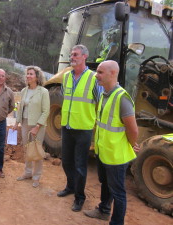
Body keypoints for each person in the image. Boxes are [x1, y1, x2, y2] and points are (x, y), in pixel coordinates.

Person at [84, 60, 139, 225]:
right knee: (105, 184)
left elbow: (133, 130)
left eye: (100, 72)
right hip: (103, 151)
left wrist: (131, 143)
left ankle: (116, 222)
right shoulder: (103, 94)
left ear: (113, 73)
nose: (96, 75)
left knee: (118, 193)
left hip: (116, 156)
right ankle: (103, 211)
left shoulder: (122, 98)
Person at [58, 44, 104, 212]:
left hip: (83, 129)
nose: (72, 57)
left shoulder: (93, 78)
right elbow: (65, 98)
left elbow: (100, 102)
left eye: (76, 54)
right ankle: (70, 187)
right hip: (67, 126)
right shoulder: (66, 77)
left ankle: (79, 197)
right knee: (66, 162)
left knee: (80, 166)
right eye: (71, 54)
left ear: (85, 56)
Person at [12, 66, 50, 188]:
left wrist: (37, 126)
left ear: (37, 77)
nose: (28, 76)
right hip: (25, 122)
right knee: (27, 148)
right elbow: (20, 108)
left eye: (31, 74)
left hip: (37, 125)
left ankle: (37, 176)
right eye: (27, 74)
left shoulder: (43, 92)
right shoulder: (24, 91)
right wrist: (16, 123)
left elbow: (46, 111)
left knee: (36, 149)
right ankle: (28, 173)